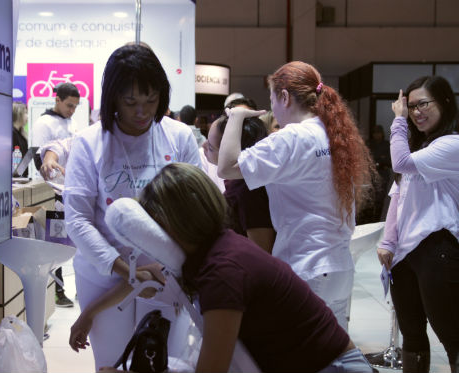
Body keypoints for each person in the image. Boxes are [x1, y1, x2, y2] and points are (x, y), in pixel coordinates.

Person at [69, 163, 373, 373]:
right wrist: (88, 313)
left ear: (170, 222)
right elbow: (146, 276)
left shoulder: (222, 271)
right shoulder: (215, 247)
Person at [63, 43, 201, 369]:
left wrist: (178, 269)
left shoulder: (179, 137)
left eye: (151, 100)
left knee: (165, 361)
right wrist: (128, 271)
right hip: (106, 273)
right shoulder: (89, 143)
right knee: (112, 361)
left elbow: (198, 210)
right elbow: (79, 220)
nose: (141, 112)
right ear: (113, 98)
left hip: (169, 274)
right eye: (130, 102)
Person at [218, 61, 376, 331]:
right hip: (340, 267)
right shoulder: (336, 134)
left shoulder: (290, 139)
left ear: (284, 97)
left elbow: (226, 167)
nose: (274, 110)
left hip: (307, 266)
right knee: (332, 353)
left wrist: (235, 117)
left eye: (272, 100)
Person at [376, 76, 459, 373]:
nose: (415, 112)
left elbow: (400, 164)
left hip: (438, 248)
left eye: (423, 103)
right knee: (411, 332)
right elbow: (398, 196)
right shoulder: (419, 147)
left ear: (446, 102)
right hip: (405, 254)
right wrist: (388, 241)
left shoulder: (452, 144)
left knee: (451, 334)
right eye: (410, 107)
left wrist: (397, 120)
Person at [31, 82, 80, 308]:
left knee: (68, 242)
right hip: (52, 192)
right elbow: (40, 158)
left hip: (68, 190)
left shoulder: (70, 122)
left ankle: (67, 290)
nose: (72, 110)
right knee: (55, 243)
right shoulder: (44, 123)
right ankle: (57, 293)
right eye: (69, 105)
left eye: (75, 106)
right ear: (57, 99)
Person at [203, 114, 275, 252]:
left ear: (229, 152)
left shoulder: (248, 191)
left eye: (211, 147)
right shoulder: (243, 183)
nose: (203, 146)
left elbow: (262, 252)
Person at [12, 102, 29, 177]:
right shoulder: (12, 134)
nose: (27, 116)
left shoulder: (21, 134)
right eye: (25, 113)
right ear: (18, 114)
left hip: (21, 176)